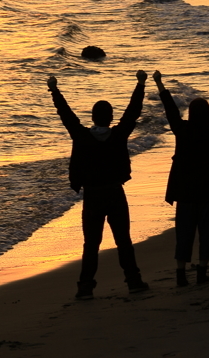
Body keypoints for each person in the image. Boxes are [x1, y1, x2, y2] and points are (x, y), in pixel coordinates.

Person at [46, 70, 149, 299]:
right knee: (123, 240)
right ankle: (133, 281)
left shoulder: (81, 137)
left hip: (92, 196)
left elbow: (66, 115)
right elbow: (133, 112)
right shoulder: (118, 135)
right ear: (110, 118)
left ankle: (85, 287)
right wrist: (141, 84)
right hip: (114, 193)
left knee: (91, 244)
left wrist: (54, 89)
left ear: (92, 118)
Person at [152, 68, 209, 286]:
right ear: (208, 113)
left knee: (184, 232)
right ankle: (201, 271)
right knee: (208, 231)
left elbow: (170, 109)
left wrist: (159, 84)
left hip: (186, 191)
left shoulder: (182, 129)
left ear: (190, 113)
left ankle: (181, 274)